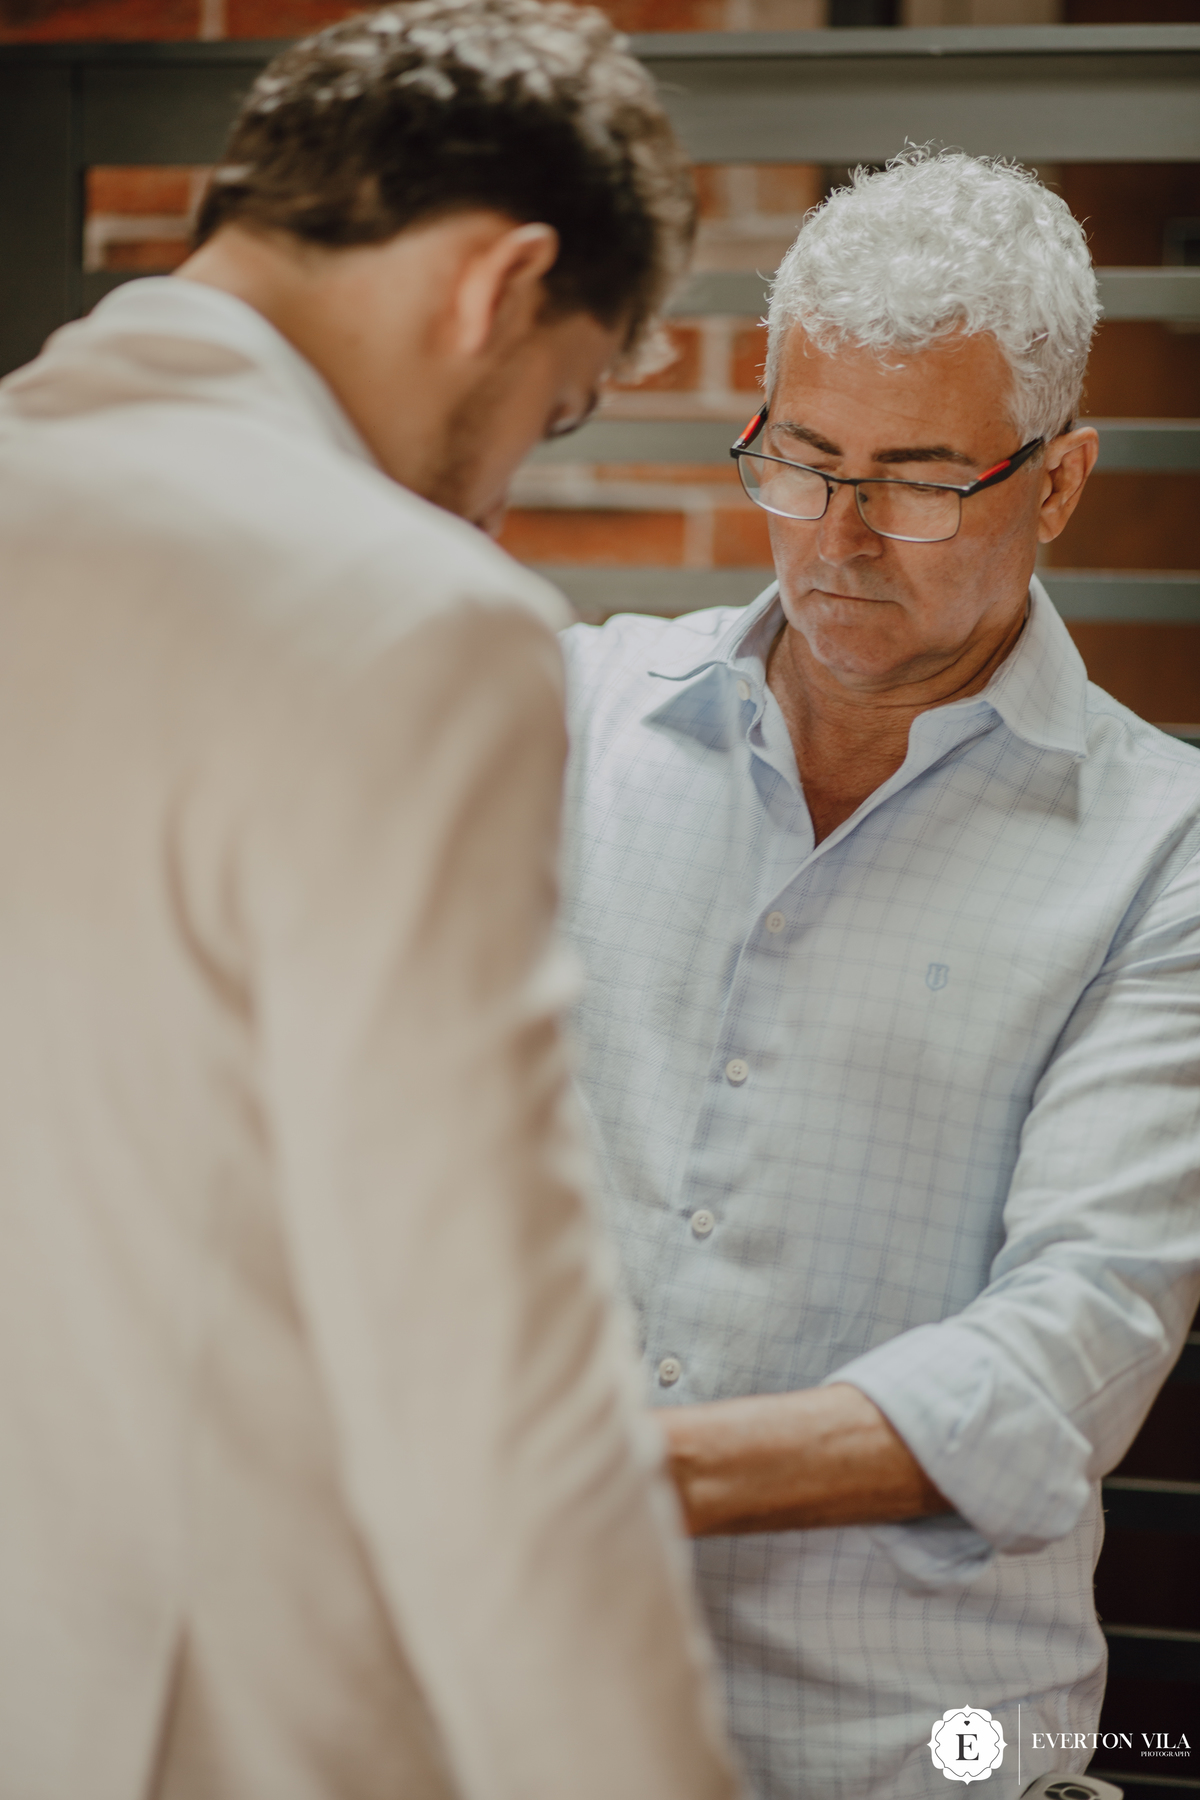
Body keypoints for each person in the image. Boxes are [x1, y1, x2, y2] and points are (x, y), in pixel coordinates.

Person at [0, 7, 742, 1799]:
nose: (497, 502)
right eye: (549, 418)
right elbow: (482, 1388)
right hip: (216, 1726)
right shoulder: (408, 623)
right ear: (501, 282)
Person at [560, 149, 1200, 1799]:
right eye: (802, 460)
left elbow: (1078, 1337)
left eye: (918, 479)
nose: (837, 537)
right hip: (522, 1714)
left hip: (902, 1752)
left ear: (1056, 484)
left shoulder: (1166, 851)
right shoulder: (574, 722)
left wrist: (603, 1472)